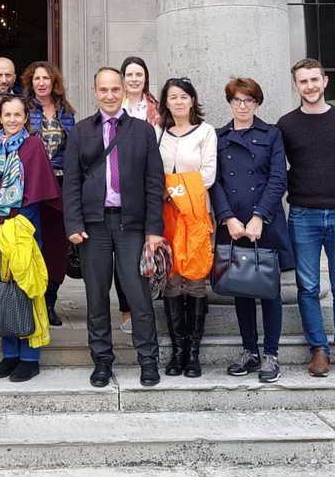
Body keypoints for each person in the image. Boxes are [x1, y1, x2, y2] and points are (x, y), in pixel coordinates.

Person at [64, 67, 165, 388]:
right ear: (95, 92)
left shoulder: (142, 131)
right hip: (93, 226)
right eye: (103, 90)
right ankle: (102, 361)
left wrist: (154, 229)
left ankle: (148, 360)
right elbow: (71, 184)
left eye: (114, 89)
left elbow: (154, 182)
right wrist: (74, 222)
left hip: (131, 225)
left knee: (138, 297)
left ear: (124, 91)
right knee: (96, 297)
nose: (109, 95)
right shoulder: (80, 132)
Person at [278, 58, 335, 379]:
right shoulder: (287, 124)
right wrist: (302, 186)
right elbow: (280, 170)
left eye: (314, 80)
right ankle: (318, 350)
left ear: (325, 81)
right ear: (295, 85)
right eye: (303, 81)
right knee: (307, 286)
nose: (310, 86)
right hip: (303, 215)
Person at [0, 94, 64, 383]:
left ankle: (30, 357)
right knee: (4, 291)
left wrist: (11, 228)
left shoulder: (33, 147)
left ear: (26, 118)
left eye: (17, 115)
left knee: (27, 290)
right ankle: (10, 354)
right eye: (7, 114)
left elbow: (39, 192)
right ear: (0, 117)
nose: (12, 120)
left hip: (23, 229)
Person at [210, 76, 293, 384]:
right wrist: (228, 217)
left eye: (248, 101)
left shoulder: (271, 134)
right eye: (236, 100)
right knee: (240, 289)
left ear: (257, 103)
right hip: (232, 225)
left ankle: (271, 354)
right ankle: (249, 351)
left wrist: (259, 216)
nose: (242, 106)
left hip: (265, 223)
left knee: (269, 290)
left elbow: (277, 179)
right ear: (230, 103)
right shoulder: (218, 137)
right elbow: (214, 181)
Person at [154, 76, 217, 378]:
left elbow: (207, 174)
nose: (178, 102)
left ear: (192, 100)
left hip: (195, 215)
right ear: (165, 103)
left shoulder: (206, 132)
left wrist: (174, 189)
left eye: (184, 96)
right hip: (166, 216)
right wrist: (164, 191)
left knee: (195, 278)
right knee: (172, 278)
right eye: (173, 97)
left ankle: (193, 352)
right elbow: (153, 173)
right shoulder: (158, 134)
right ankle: (177, 351)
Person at [22, 61, 76, 326]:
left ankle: (49, 301)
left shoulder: (67, 113)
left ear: (55, 83)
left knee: (56, 247)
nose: (41, 83)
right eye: (36, 79)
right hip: (31, 187)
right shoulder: (23, 110)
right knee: (32, 244)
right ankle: (30, 302)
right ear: (30, 83)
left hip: (61, 187)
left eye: (46, 78)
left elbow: (72, 150)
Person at [114, 55, 160, 332]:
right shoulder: (112, 108)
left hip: (147, 183)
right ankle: (127, 309)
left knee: (148, 247)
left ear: (145, 78)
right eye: (129, 74)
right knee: (122, 252)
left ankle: (150, 303)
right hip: (118, 186)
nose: (133, 79)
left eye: (138, 75)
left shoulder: (157, 110)